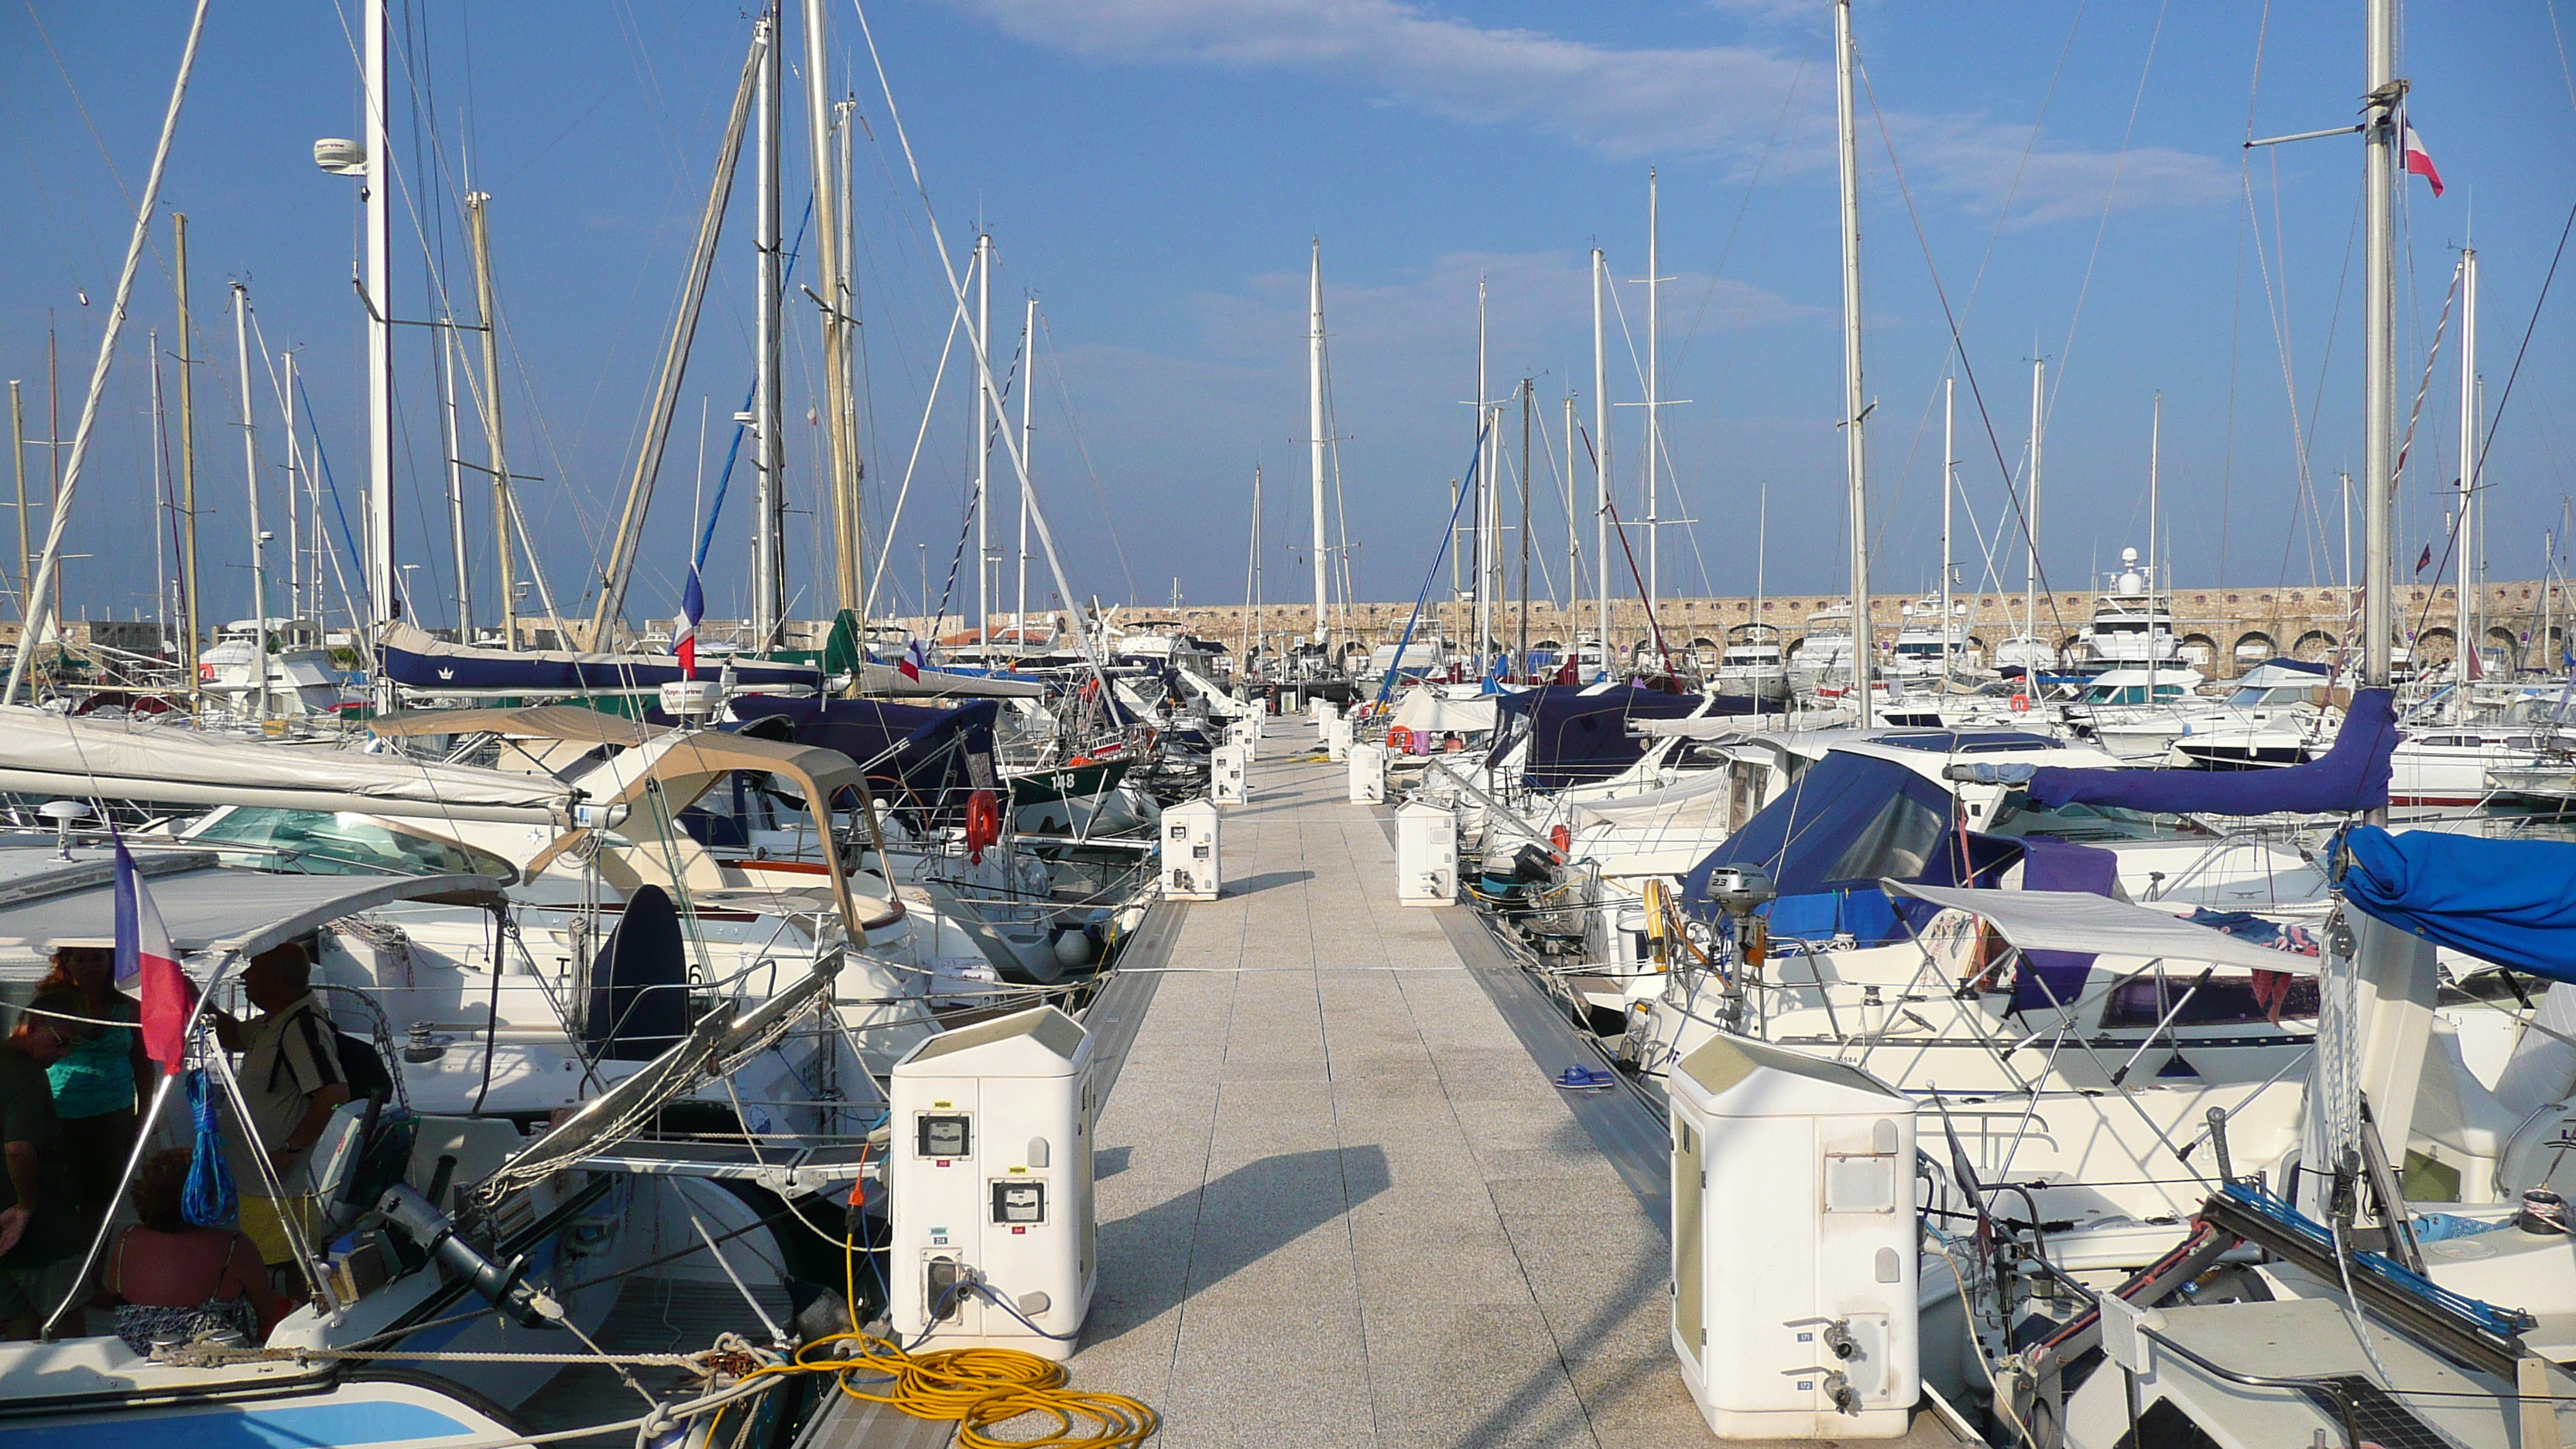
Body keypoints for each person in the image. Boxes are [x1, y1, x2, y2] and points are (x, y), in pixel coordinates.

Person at [211, 944, 348, 1266]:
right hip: (257, 1187)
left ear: (276, 979)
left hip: (275, 1192)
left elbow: (334, 1093)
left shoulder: (301, 1027)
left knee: (282, 1272)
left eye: (253, 968)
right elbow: (232, 1036)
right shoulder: (278, 1020)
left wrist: (291, 1151)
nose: (244, 975)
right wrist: (191, 995)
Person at [104, 1149, 286, 1354]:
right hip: (207, 1357)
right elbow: (266, 1314)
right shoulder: (234, 1245)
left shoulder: (126, 1238)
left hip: (134, 1352)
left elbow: (114, 1295)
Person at [36, 947, 151, 1243]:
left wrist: (145, 1112)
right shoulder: (50, 1004)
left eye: (97, 958)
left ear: (110, 960)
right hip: (60, 1113)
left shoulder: (128, 1005)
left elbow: (142, 1060)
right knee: (60, 1193)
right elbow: (29, 1053)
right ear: (66, 963)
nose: (90, 966)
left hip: (114, 1115)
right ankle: (65, 1265)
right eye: (81, 959)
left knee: (103, 1198)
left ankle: (95, 1269)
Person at [0, 992, 89, 1338]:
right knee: (68, 1332)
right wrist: (26, 1206)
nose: (64, 1054)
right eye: (62, 1042)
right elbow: (18, 1148)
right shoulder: (28, 1076)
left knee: (16, 1333)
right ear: (33, 1026)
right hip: (41, 1232)